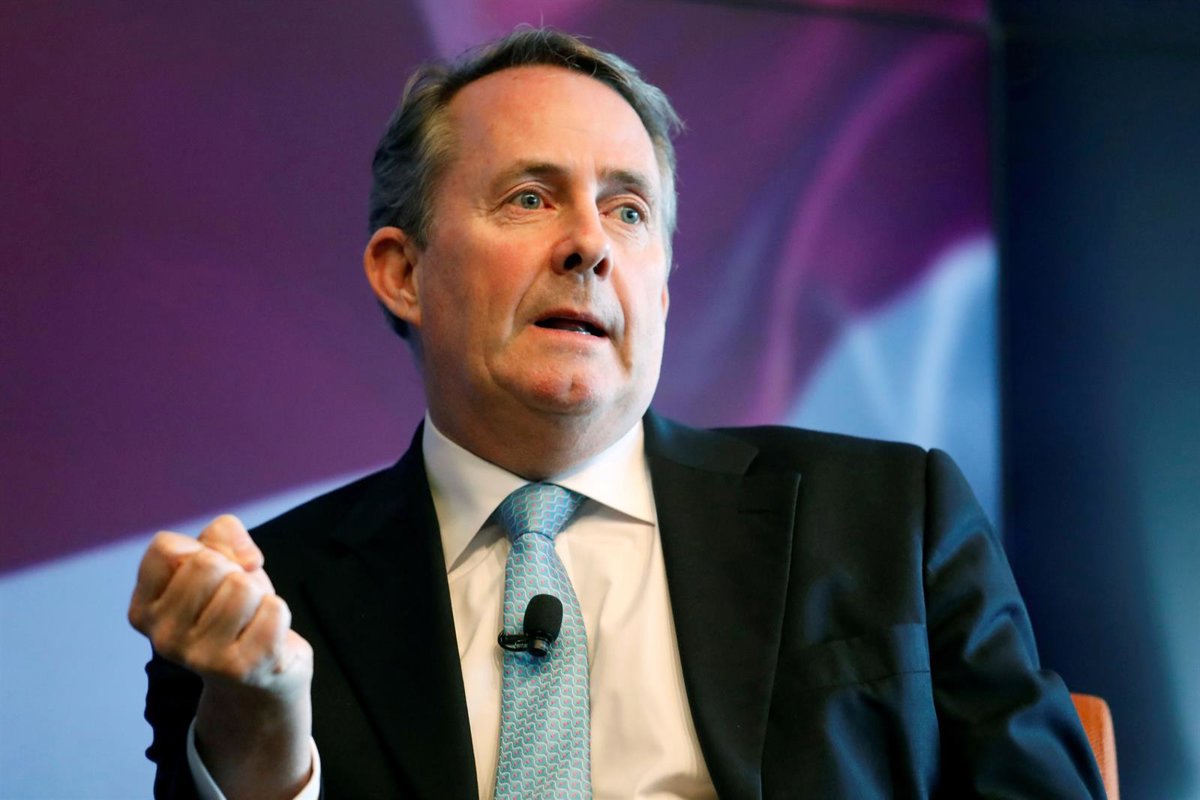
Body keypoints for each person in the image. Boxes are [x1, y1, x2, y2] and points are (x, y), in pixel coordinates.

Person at [128, 28, 1107, 800]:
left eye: (628, 211)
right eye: (529, 198)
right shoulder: (261, 607)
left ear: (663, 293)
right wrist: (263, 735)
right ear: (403, 272)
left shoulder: (890, 515)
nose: (589, 245)